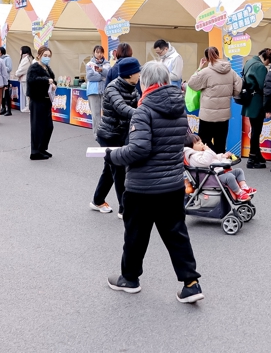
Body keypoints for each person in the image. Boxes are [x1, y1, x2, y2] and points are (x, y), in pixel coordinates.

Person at [105, 61, 204, 304]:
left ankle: (129, 279)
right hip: (172, 184)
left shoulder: (144, 110)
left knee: (136, 235)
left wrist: (112, 155)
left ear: (145, 82)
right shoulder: (179, 108)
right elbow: (184, 138)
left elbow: (139, 149)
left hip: (143, 187)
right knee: (177, 235)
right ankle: (191, 283)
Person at [93, 57, 141, 217]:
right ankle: (124, 208)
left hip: (122, 134)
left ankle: (97, 200)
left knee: (110, 169)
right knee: (119, 169)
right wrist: (143, 114)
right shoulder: (112, 88)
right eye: (137, 72)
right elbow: (122, 108)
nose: (140, 74)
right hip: (109, 135)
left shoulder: (133, 87)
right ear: (129, 74)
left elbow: (140, 102)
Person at [187, 47, 242, 154]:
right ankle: (220, 163)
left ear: (207, 58)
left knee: (204, 142)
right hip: (223, 116)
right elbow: (238, 86)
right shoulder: (230, 71)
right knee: (221, 143)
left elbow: (191, 83)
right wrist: (232, 93)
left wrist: (199, 68)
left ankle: (209, 162)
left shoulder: (205, 72)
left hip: (207, 116)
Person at [184, 133, 256, 201]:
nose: (202, 144)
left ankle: (244, 187)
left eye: (201, 142)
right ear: (191, 147)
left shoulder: (200, 153)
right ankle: (239, 193)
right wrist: (207, 150)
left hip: (217, 173)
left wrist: (222, 156)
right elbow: (205, 162)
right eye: (198, 143)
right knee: (230, 177)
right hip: (211, 178)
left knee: (239, 171)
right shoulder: (194, 157)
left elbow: (212, 158)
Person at [242, 47, 271, 168]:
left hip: (249, 100)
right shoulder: (260, 67)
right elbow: (263, 86)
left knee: (254, 129)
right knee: (256, 131)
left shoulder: (249, 62)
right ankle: (252, 158)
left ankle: (257, 154)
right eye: (268, 62)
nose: (267, 65)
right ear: (266, 58)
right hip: (257, 101)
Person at [27, 46, 56, 160]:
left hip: (46, 99)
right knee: (37, 126)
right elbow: (31, 80)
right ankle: (35, 151)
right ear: (39, 55)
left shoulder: (47, 68)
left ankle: (42, 148)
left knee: (48, 126)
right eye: (45, 55)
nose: (47, 58)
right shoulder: (34, 67)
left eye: (49, 56)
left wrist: (54, 84)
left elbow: (52, 79)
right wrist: (46, 80)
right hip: (37, 99)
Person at [86, 45, 111, 136]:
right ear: (94, 53)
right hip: (93, 91)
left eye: (101, 52)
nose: (99, 54)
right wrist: (102, 76)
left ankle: (106, 132)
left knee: (106, 113)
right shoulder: (89, 64)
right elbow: (90, 77)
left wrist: (101, 72)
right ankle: (97, 134)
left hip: (104, 91)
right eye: (97, 52)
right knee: (95, 114)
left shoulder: (107, 64)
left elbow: (109, 74)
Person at [15, 46, 34, 112]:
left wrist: (17, 73)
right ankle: (28, 106)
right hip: (26, 78)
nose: (20, 51)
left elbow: (22, 69)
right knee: (27, 93)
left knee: (27, 93)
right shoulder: (28, 58)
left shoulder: (26, 59)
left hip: (25, 78)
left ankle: (29, 107)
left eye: (20, 50)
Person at [0, 47, 14, 116]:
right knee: (1, 95)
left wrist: (2, 67)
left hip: (6, 78)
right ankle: (3, 108)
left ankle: (9, 110)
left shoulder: (7, 58)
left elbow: (9, 68)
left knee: (7, 95)